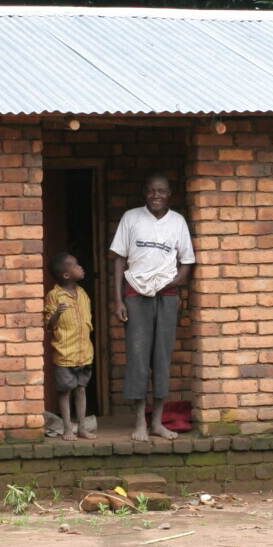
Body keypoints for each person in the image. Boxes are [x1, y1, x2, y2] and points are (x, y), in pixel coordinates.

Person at [109, 174, 195, 442]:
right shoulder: (131, 218)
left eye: (161, 191)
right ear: (144, 193)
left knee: (161, 358)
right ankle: (139, 424)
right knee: (137, 359)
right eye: (150, 191)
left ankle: (157, 422)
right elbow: (119, 260)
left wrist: (174, 283)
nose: (156, 195)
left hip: (167, 296)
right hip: (135, 295)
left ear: (169, 194)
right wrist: (119, 300)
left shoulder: (177, 221)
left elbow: (187, 262)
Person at [44, 252, 96, 441]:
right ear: (66, 275)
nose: (80, 267)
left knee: (81, 389)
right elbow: (49, 324)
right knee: (65, 391)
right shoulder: (54, 295)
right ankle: (67, 428)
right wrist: (58, 313)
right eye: (75, 266)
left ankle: (81, 428)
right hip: (65, 353)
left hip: (84, 352)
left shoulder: (82, 293)